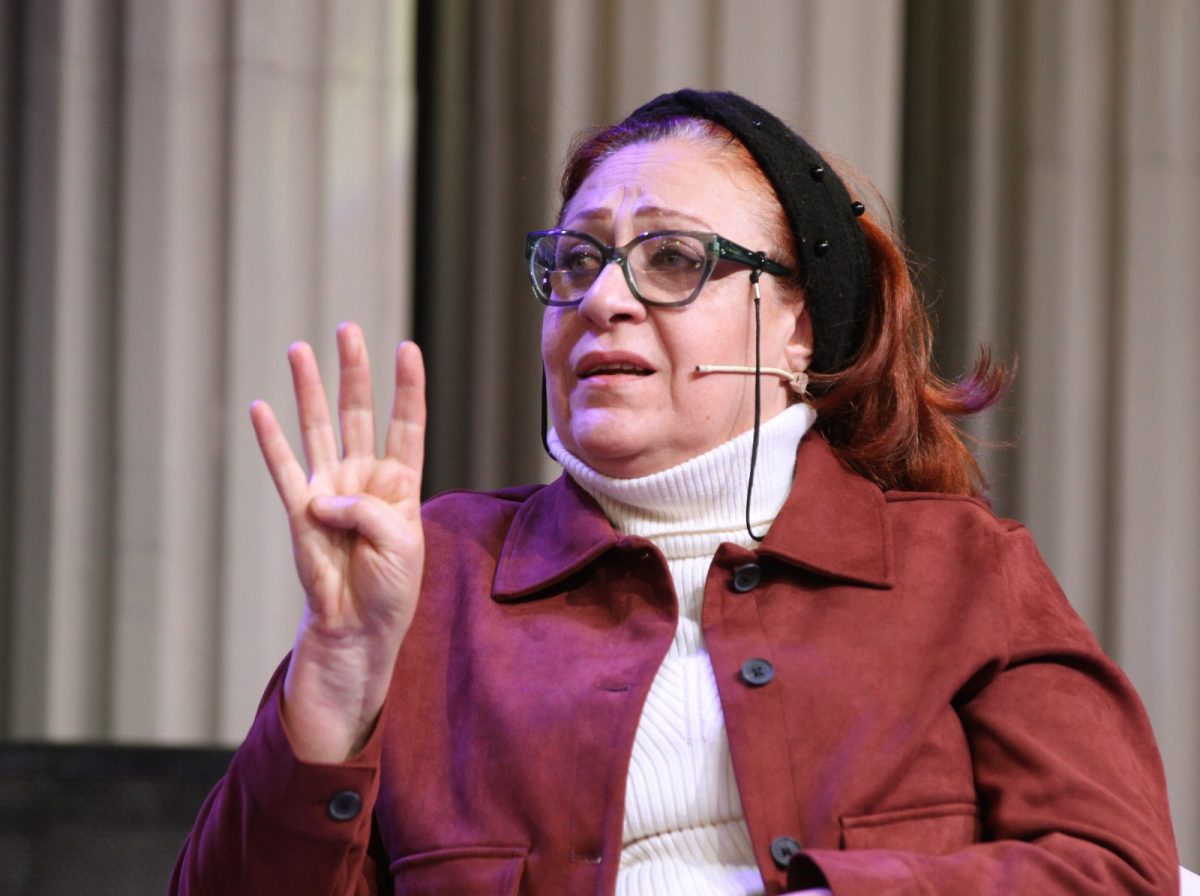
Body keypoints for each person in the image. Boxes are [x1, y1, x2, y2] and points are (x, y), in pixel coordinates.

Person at [170, 89, 1179, 894]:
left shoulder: (962, 573)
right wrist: (339, 677)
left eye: (672, 259)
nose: (603, 298)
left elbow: (1117, 869)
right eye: (578, 261)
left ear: (798, 328)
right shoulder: (435, 582)